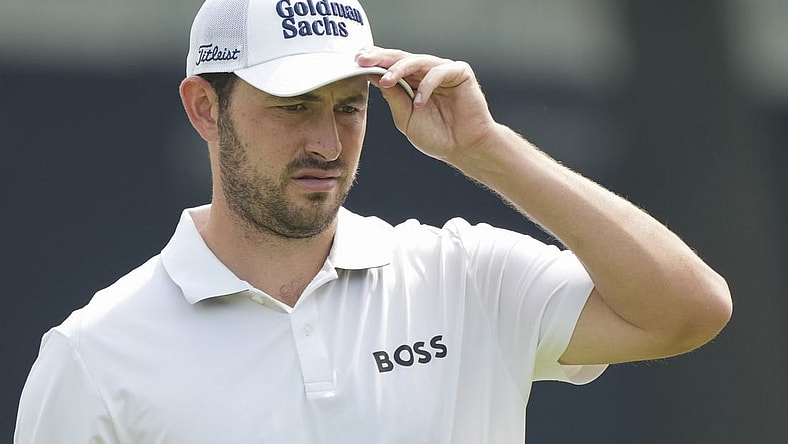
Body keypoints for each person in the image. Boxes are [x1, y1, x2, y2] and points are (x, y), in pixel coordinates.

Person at [14, 0, 732, 442]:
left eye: (349, 106)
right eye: (293, 107)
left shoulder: (461, 277)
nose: (326, 143)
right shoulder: (94, 356)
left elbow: (687, 309)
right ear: (205, 107)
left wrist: (490, 152)